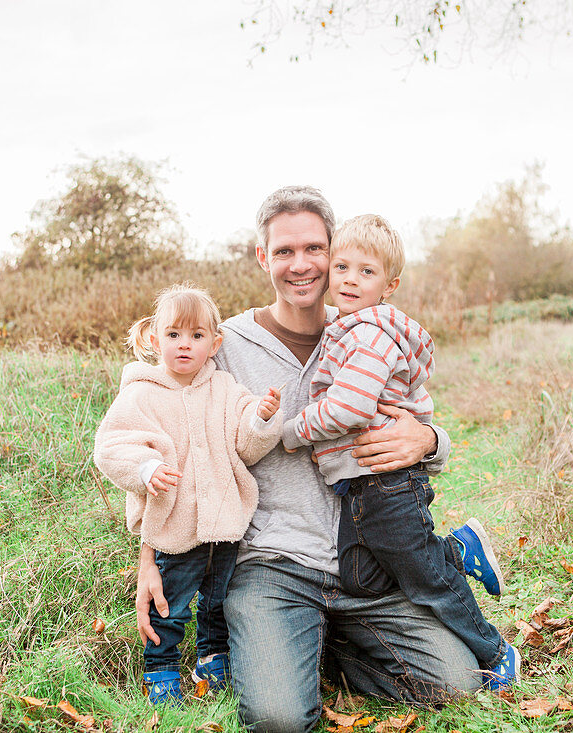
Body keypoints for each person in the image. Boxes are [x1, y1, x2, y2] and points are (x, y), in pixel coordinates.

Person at [135, 187, 514, 733]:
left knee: (456, 684)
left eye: (315, 248)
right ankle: (286, 641)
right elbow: (171, 436)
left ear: (333, 252)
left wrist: (430, 442)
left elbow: (413, 414)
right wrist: (151, 554)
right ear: (263, 257)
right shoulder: (228, 343)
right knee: (280, 719)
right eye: (284, 251)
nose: (301, 264)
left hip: (367, 564)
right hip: (275, 562)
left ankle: (320, 647)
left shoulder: (368, 327)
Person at [280, 213, 518, 682]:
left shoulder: (369, 335)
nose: (349, 279)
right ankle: (457, 550)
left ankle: (493, 651)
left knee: (427, 580)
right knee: (362, 578)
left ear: (389, 285)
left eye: (366, 272)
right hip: (358, 489)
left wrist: (293, 431)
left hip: (384, 483)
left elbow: (348, 408)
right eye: (343, 267)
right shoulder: (347, 329)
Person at [93, 283, 283, 705]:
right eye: (174, 334)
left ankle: (212, 658)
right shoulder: (142, 393)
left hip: (226, 524)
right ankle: (160, 668)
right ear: (154, 338)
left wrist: (261, 417)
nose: (185, 345)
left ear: (214, 344)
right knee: (172, 603)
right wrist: (146, 468)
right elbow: (111, 446)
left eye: (197, 336)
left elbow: (246, 444)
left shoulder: (225, 389)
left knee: (219, 600)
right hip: (174, 525)